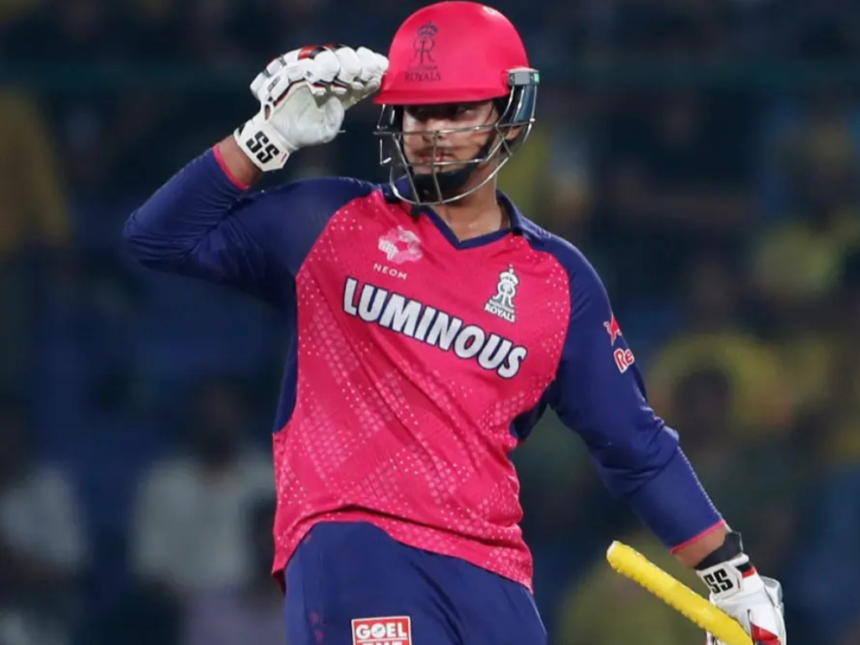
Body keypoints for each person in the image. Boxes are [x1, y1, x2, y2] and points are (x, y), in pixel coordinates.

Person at [122, 2, 786, 644]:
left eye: (458, 110)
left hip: (493, 572)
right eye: (418, 111)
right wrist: (266, 138)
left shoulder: (559, 280)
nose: (433, 132)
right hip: (356, 542)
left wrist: (734, 577)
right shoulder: (328, 222)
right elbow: (157, 238)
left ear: (509, 116)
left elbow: (636, 448)